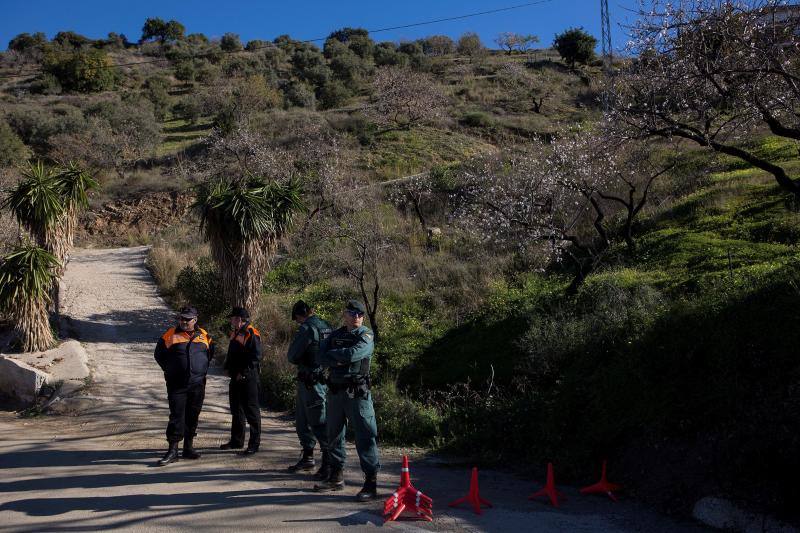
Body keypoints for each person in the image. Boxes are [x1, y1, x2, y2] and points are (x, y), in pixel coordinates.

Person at [314, 300, 380, 501]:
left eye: (360, 314)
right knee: (333, 434)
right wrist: (339, 357)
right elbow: (320, 356)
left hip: (356, 393)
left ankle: (371, 482)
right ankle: (336, 476)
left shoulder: (366, 335)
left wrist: (336, 356)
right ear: (345, 314)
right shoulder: (335, 335)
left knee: (365, 435)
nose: (357, 317)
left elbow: (356, 353)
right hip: (335, 392)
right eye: (353, 313)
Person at [154, 306, 214, 466]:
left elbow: (210, 354)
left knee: (193, 415)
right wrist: (170, 370)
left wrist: (200, 371)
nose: (183, 321)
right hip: (177, 384)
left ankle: (188, 448)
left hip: (197, 384)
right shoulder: (170, 334)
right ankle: (173, 450)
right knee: (176, 416)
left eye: (187, 319)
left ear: (195, 320)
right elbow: (158, 355)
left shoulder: (204, 336)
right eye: (181, 318)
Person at [286, 300, 332, 479]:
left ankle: (327, 463)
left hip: (310, 380)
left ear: (299, 315)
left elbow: (292, 356)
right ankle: (309, 458)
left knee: (313, 421)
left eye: (297, 319)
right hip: (321, 379)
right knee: (309, 419)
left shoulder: (307, 329)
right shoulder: (326, 326)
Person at [220, 307, 262, 455]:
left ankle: (254, 444)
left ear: (239, 319)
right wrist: (227, 367)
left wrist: (243, 374)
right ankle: (236, 441)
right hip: (235, 377)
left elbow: (255, 358)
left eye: (232, 318)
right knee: (236, 410)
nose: (231, 320)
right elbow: (232, 353)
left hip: (248, 378)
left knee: (251, 411)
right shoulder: (236, 332)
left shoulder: (251, 333)